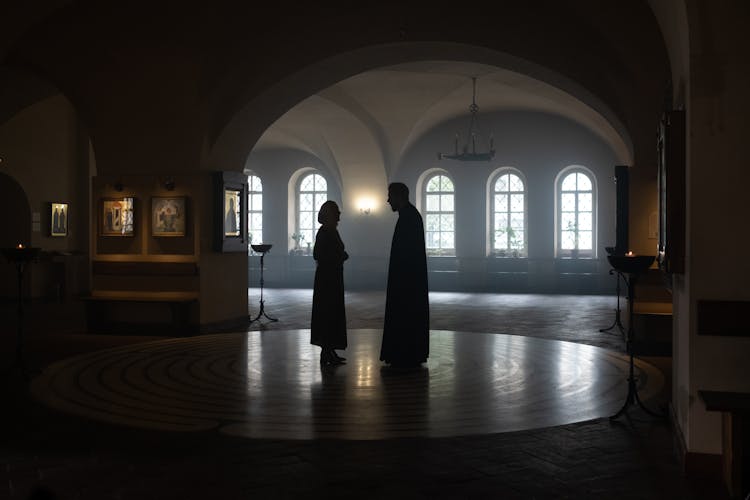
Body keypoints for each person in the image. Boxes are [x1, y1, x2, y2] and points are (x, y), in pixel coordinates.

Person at [380, 182, 429, 367]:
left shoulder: (408, 218)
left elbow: (406, 254)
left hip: (406, 283)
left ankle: (404, 354)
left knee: (404, 316)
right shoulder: (409, 216)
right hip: (408, 281)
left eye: (390, 196)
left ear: (399, 196)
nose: (387, 200)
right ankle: (407, 353)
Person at [311, 200, 349, 365]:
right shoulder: (325, 232)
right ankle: (326, 351)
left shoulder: (331, 231)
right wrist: (340, 257)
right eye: (337, 213)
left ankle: (330, 350)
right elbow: (318, 255)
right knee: (327, 313)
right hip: (327, 280)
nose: (339, 216)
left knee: (333, 313)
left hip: (332, 278)